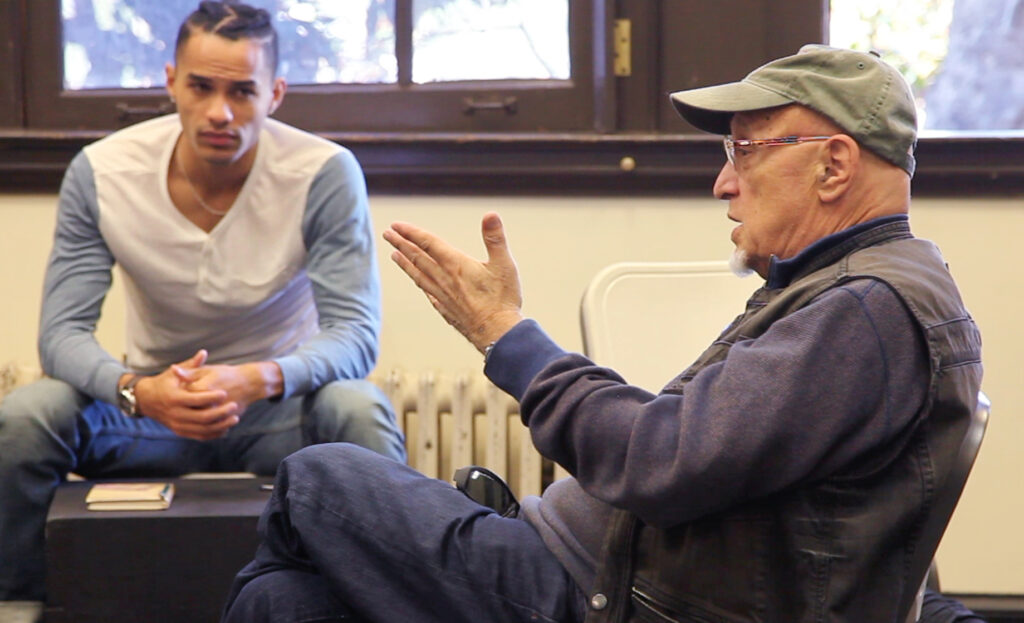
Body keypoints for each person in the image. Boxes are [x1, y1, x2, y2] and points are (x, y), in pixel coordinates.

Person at [221, 45, 983, 623]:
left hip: (602, 591)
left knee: (314, 480)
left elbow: (660, 459)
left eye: (744, 149)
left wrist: (507, 338)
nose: (723, 180)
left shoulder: (865, 310)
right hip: (611, 561)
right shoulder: (857, 286)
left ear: (834, 166)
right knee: (285, 600)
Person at [0, 2, 406, 619]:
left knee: (359, 406)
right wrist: (138, 390)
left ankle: (390, 605)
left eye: (242, 91)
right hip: (147, 412)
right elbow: (60, 335)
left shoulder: (322, 172)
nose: (220, 112)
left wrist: (256, 378)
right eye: (202, 87)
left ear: (275, 94)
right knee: (28, 415)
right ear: (171, 83)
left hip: (278, 411)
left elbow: (354, 335)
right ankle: (23, 605)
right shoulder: (103, 172)